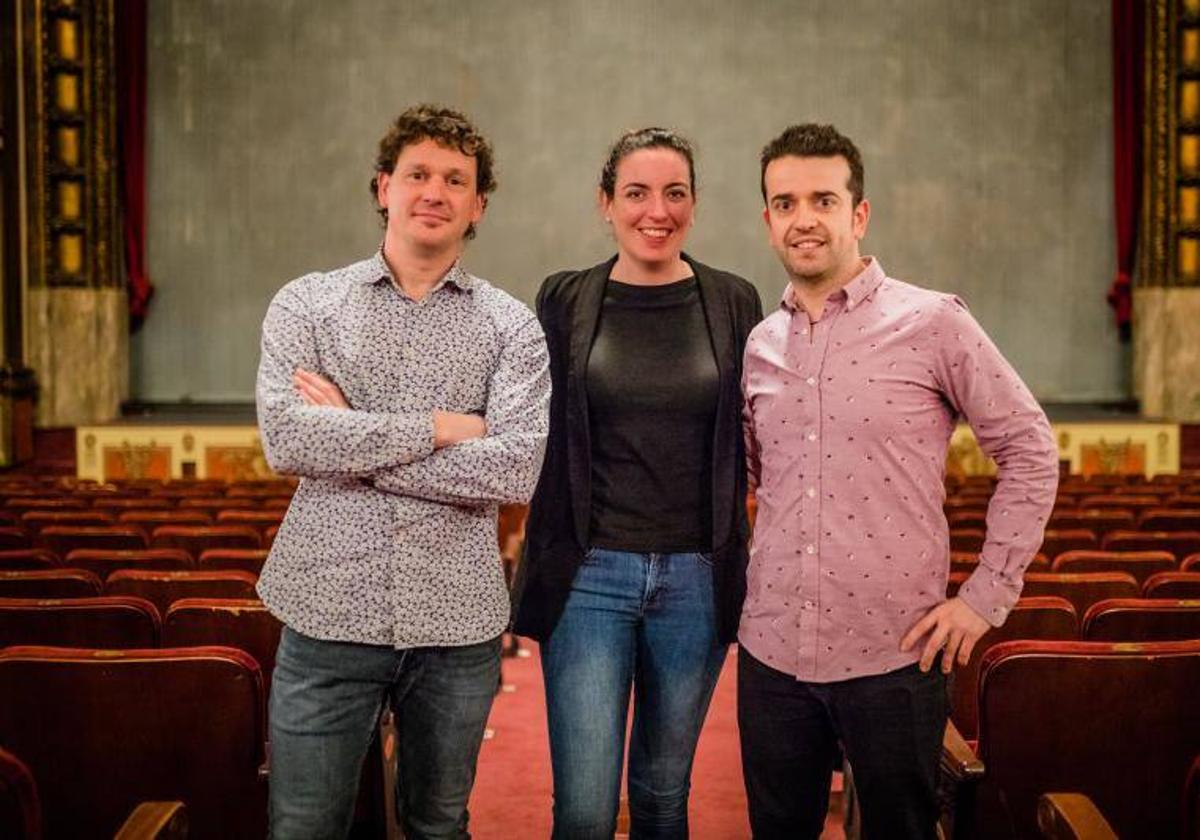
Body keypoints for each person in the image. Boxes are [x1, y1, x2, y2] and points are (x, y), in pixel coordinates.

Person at [737, 123, 1059, 839]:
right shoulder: (760, 345)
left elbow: (1031, 449)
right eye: (785, 203)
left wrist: (984, 598)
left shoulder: (933, 322)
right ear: (768, 222)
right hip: (772, 655)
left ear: (859, 214)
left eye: (823, 199)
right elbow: (754, 479)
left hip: (894, 654)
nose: (804, 218)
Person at [255, 104, 550, 839]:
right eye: (418, 173)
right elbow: (289, 441)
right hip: (326, 610)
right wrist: (442, 430)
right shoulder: (307, 303)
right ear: (384, 186)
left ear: (477, 204)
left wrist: (354, 442)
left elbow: (515, 471)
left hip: (457, 627)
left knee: (439, 827)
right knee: (302, 828)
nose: (435, 191)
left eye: (456, 179)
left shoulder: (511, 325)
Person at [511, 127, 763, 839]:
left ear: (695, 204)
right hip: (590, 577)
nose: (657, 210)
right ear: (605, 203)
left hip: (695, 578)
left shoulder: (733, 300)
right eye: (637, 193)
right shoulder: (565, 299)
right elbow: (525, 413)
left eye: (675, 193)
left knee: (662, 795)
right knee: (586, 810)